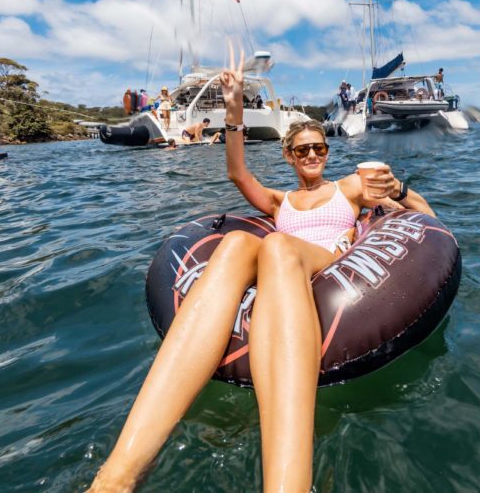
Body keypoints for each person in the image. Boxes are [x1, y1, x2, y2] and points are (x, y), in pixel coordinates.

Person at [89, 47, 435, 493]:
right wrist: (234, 108)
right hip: (277, 265)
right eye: (304, 149)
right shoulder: (277, 202)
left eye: (320, 148)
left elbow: (425, 216)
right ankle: (118, 476)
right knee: (235, 244)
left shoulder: (348, 188)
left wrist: (398, 188)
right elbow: (237, 171)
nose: (314, 155)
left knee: (275, 247)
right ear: (290, 156)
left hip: (325, 265)